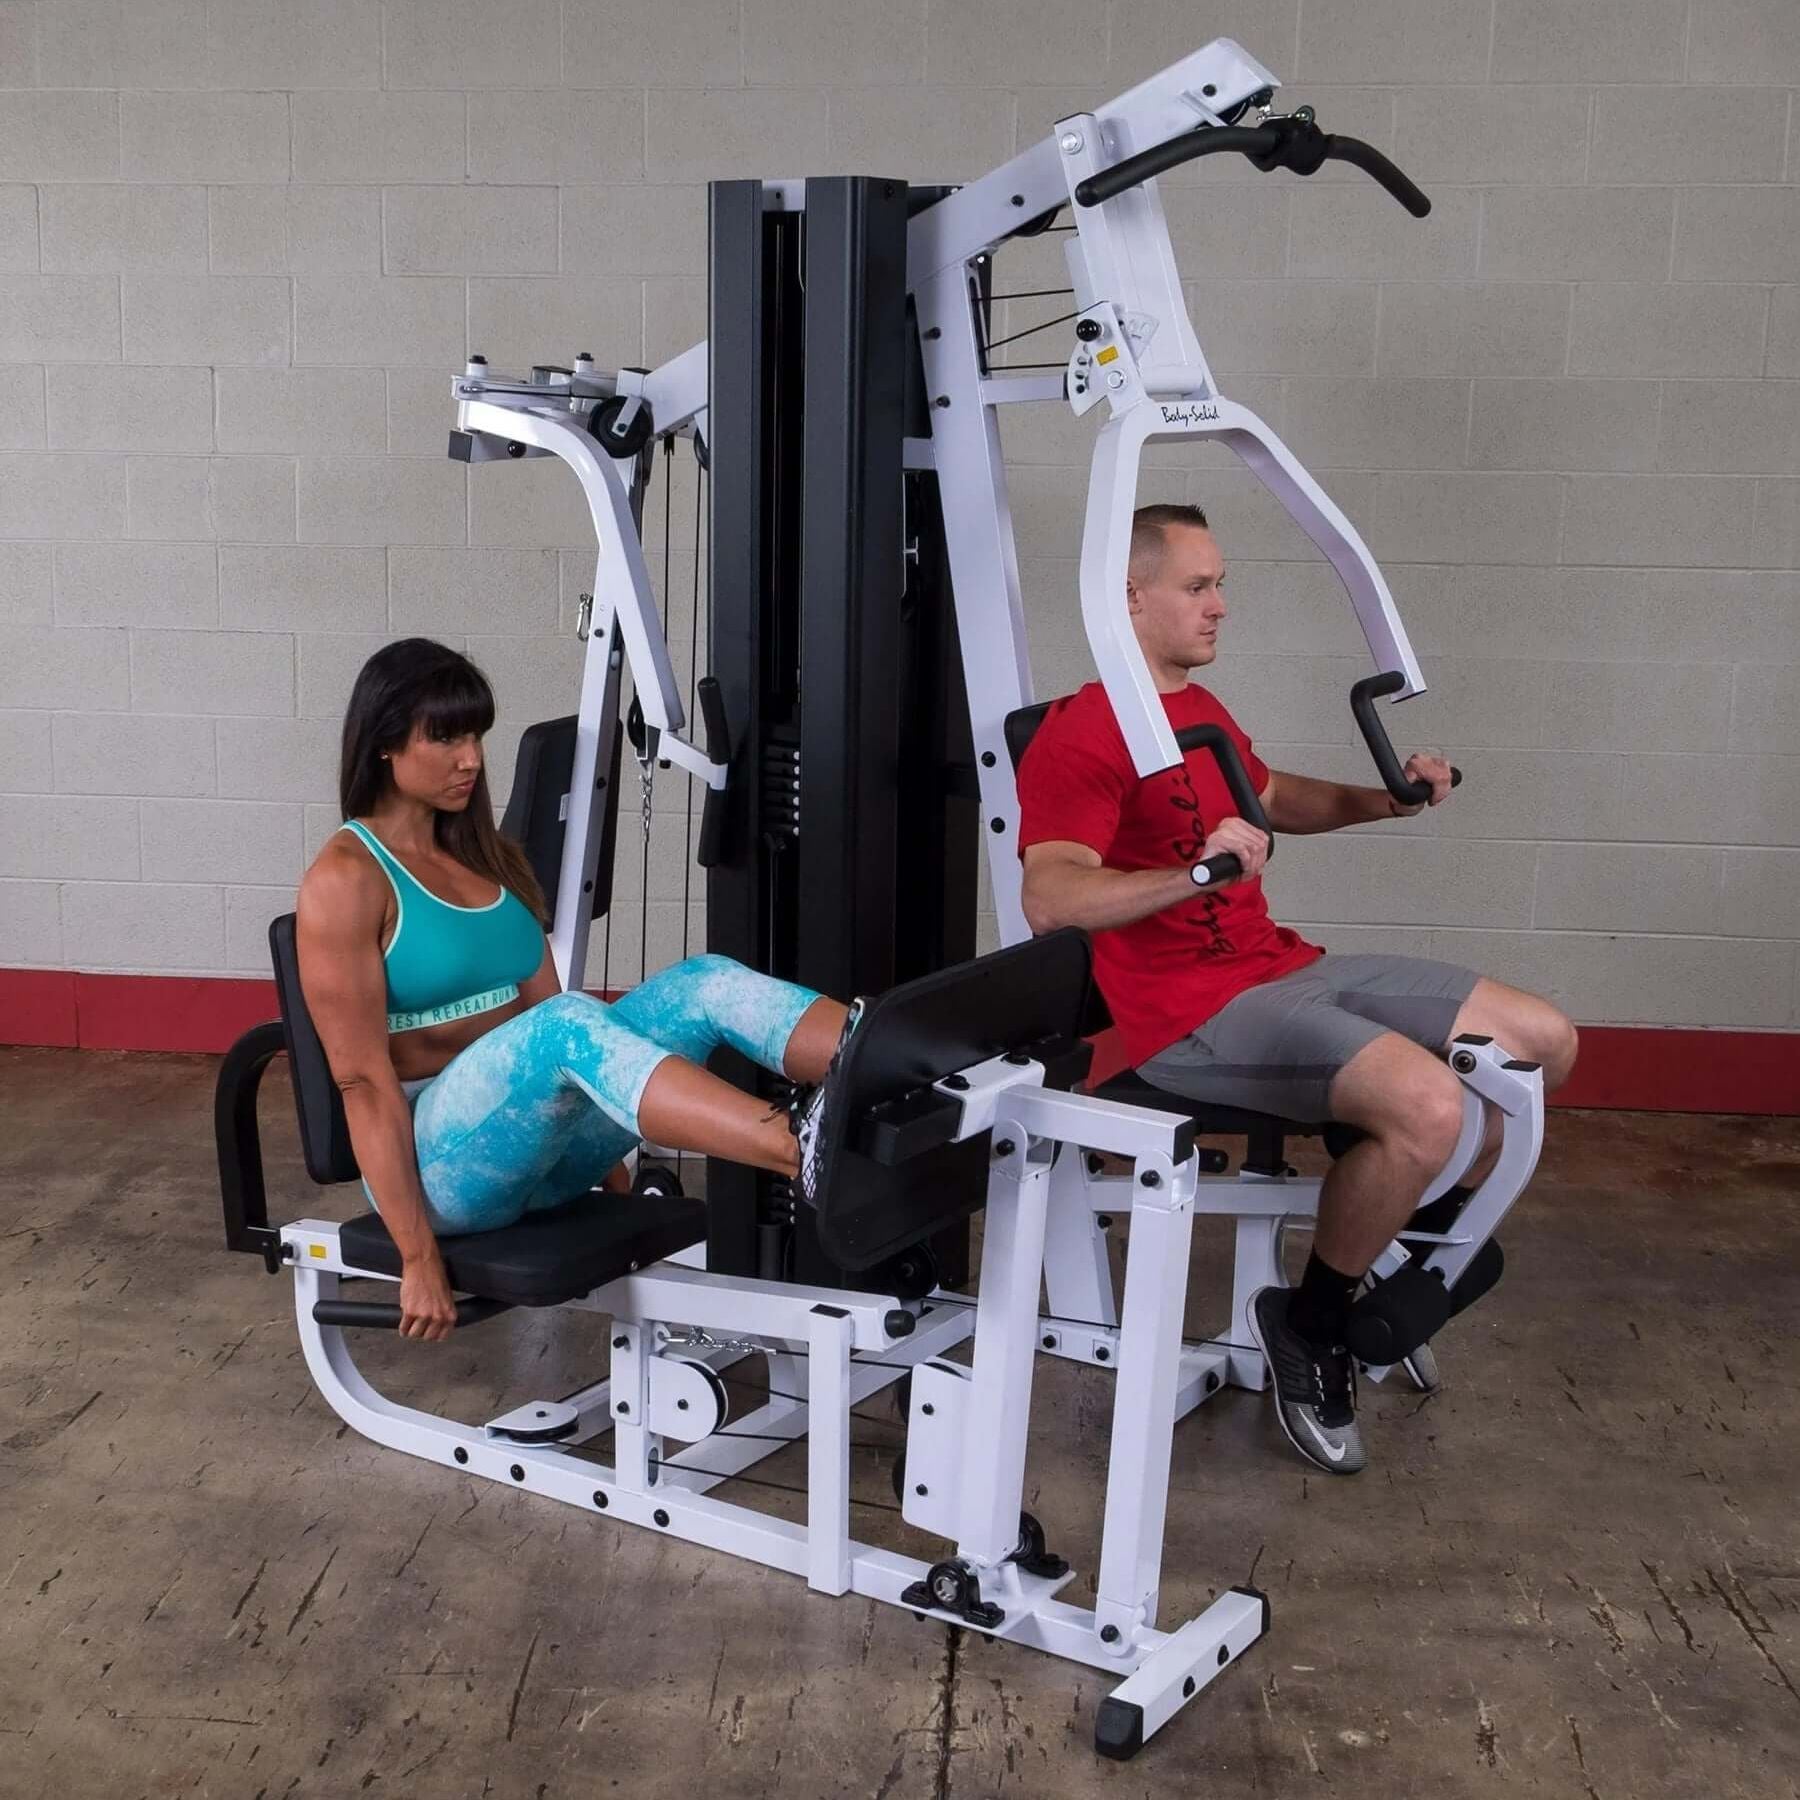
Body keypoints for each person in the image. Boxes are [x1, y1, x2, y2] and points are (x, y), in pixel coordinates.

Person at [1016, 504, 1578, 1477]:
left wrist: (1387, 801)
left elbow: (1271, 797)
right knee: (1432, 1107)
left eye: (1220, 584)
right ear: (1130, 597)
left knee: (1544, 1040)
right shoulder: (1083, 733)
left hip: (1281, 966)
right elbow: (1049, 896)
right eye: (1199, 586)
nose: (1221, 605)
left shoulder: (1197, 708)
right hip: (1184, 1014)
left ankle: (1398, 1252)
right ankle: (1313, 1325)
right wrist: (1195, 875)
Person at [297, 638, 853, 1345]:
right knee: (566, 1022)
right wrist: (416, 1256)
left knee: (702, 982)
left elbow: (558, 1032)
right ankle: (801, 1150)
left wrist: (609, 1170)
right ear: (384, 744)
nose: (471, 759)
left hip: (541, 1159)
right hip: (440, 1172)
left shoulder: (490, 859)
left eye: (475, 736)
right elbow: (362, 1082)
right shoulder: (347, 877)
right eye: (445, 738)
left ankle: (876, 1069)